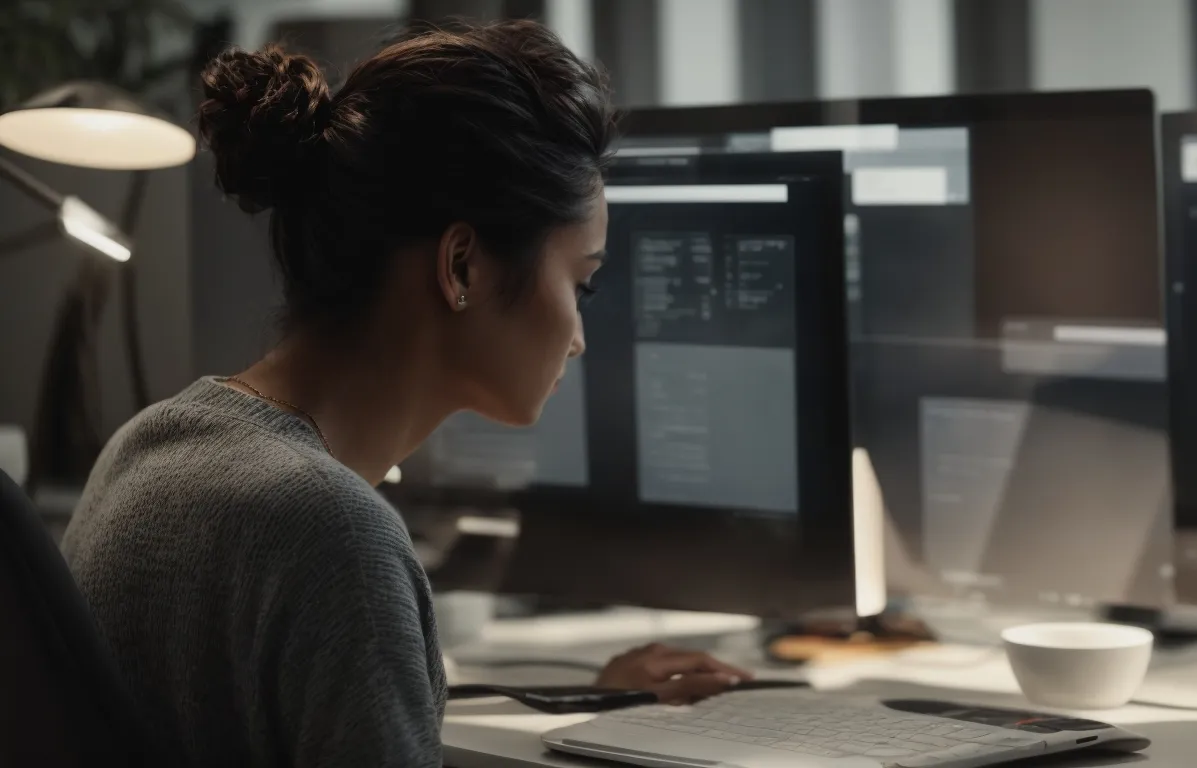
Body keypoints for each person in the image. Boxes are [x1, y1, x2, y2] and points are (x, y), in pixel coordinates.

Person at [61, 21, 750, 767]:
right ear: (461, 268)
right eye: (580, 282)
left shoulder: (147, 445)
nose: (579, 336)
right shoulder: (334, 537)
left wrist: (591, 696)